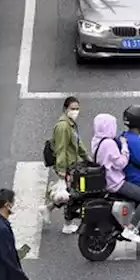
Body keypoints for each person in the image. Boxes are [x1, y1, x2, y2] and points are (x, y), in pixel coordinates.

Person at [90, 113, 140, 243]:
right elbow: (121, 163)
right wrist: (124, 146)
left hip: (104, 181)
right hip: (115, 182)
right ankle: (130, 228)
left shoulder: (96, 140)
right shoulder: (109, 143)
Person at [48, 96, 88, 233]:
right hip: (67, 167)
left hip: (72, 165)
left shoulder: (70, 124)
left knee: (68, 194)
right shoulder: (63, 127)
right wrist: (61, 170)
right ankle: (67, 224)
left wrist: (87, 157)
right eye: (72, 109)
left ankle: (48, 208)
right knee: (72, 196)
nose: (75, 111)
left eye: (77, 109)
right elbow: (61, 149)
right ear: (65, 109)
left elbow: (78, 143)